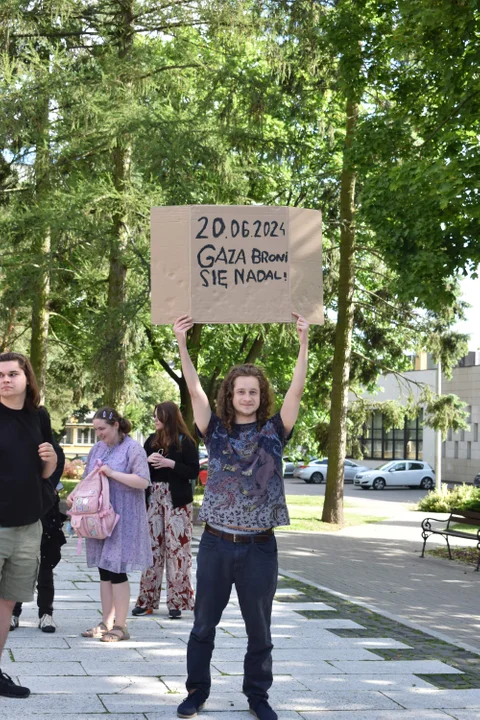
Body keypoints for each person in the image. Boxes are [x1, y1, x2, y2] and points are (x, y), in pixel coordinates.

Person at [173, 313, 309, 720]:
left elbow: (297, 392)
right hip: (216, 544)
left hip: (260, 548)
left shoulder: (274, 432)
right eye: (239, 391)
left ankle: (257, 696)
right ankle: (196, 692)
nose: (246, 397)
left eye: (253, 392)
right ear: (229, 396)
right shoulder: (214, 432)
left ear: (260, 396)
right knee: (202, 627)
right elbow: (194, 390)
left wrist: (303, 341)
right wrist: (182, 342)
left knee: (260, 631)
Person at [0, 351, 58, 698]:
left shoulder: (39, 416)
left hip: (28, 526)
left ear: (27, 378)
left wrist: (51, 463)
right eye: (0, 374)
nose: (5, 379)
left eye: (12, 374)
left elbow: (45, 472)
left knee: (7, 602)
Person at [71, 407, 152, 642]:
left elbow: (143, 481)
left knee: (117, 571)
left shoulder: (133, 448)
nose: (98, 434)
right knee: (104, 570)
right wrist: (76, 494)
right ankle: (105, 622)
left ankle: (121, 625)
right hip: (99, 518)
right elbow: (89, 478)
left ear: (116, 425)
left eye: (102, 429)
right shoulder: (98, 448)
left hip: (123, 517)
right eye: (95, 429)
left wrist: (112, 473)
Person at [132, 402, 199, 619]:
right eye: (154, 417)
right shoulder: (151, 440)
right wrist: (147, 461)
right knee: (152, 549)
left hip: (177, 501)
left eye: (159, 417)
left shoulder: (185, 442)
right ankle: (146, 600)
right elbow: (140, 470)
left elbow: (193, 471)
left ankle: (177, 602)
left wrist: (171, 464)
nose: (155, 420)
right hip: (153, 498)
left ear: (169, 417)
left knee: (177, 551)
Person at [11, 441, 67, 633]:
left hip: (45, 514)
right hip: (20, 512)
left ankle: (46, 613)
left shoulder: (54, 450)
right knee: (18, 566)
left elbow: (50, 483)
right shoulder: (19, 442)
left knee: (45, 566)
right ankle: (13, 612)